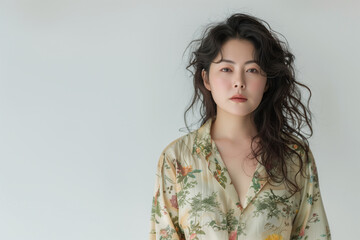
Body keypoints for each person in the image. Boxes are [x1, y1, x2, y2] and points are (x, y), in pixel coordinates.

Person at [149, 13, 331, 240]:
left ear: (267, 82)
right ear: (206, 79)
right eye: (226, 69)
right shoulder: (177, 159)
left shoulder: (294, 157)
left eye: (252, 70)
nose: (239, 82)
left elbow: (314, 235)